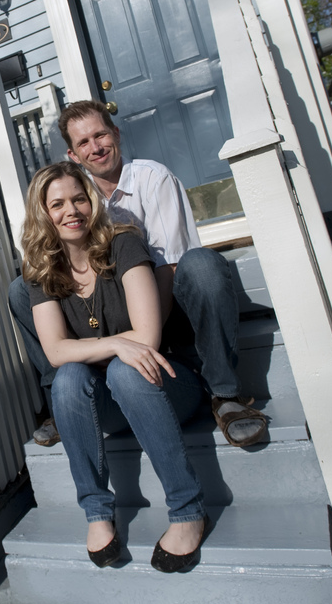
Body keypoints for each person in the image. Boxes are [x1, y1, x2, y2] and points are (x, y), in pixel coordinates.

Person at [9, 100, 267, 448]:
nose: (95, 147)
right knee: (22, 289)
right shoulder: (75, 193)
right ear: (72, 154)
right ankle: (65, 398)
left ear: (116, 133)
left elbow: (170, 267)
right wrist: (113, 342)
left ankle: (224, 394)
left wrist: (144, 335)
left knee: (202, 265)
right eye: (83, 142)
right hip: (109, 317)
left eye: (101, 135)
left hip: (171, 305)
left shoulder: (152, 177)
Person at [22, 162, 207, 571]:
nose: (71, 210)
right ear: (43, 214)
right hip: (109, 402)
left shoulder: (122, 245)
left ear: (93, 201)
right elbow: (55, 352)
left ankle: (188, 510)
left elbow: (148, 338)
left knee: (125, 370)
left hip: (167, 385)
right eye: (57, 204)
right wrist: (115, 344)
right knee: (68, 379)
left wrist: (100, 349)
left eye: (79, 198)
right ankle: (97, 512)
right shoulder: (42, 271)